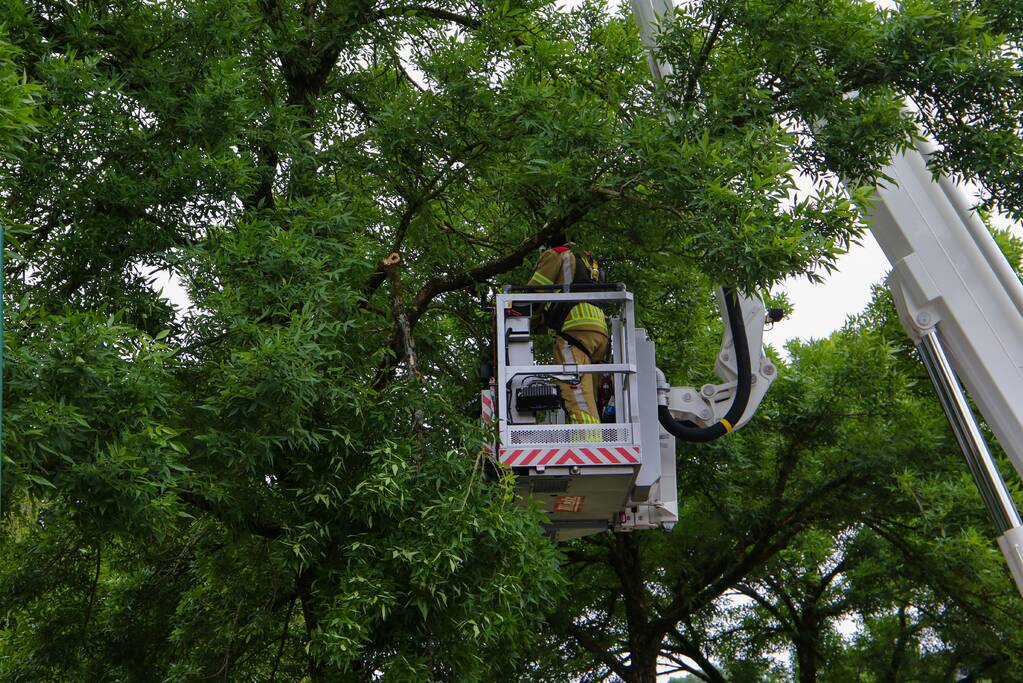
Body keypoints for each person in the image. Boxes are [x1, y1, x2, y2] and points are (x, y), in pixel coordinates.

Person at [527, 241, 608, 425]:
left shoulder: (556, 254)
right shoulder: (589, 259)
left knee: (577, 396)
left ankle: (589, 443)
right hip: (599, 331)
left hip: (575, 329)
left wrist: (526, 321)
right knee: (590, 396)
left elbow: (534, 293)